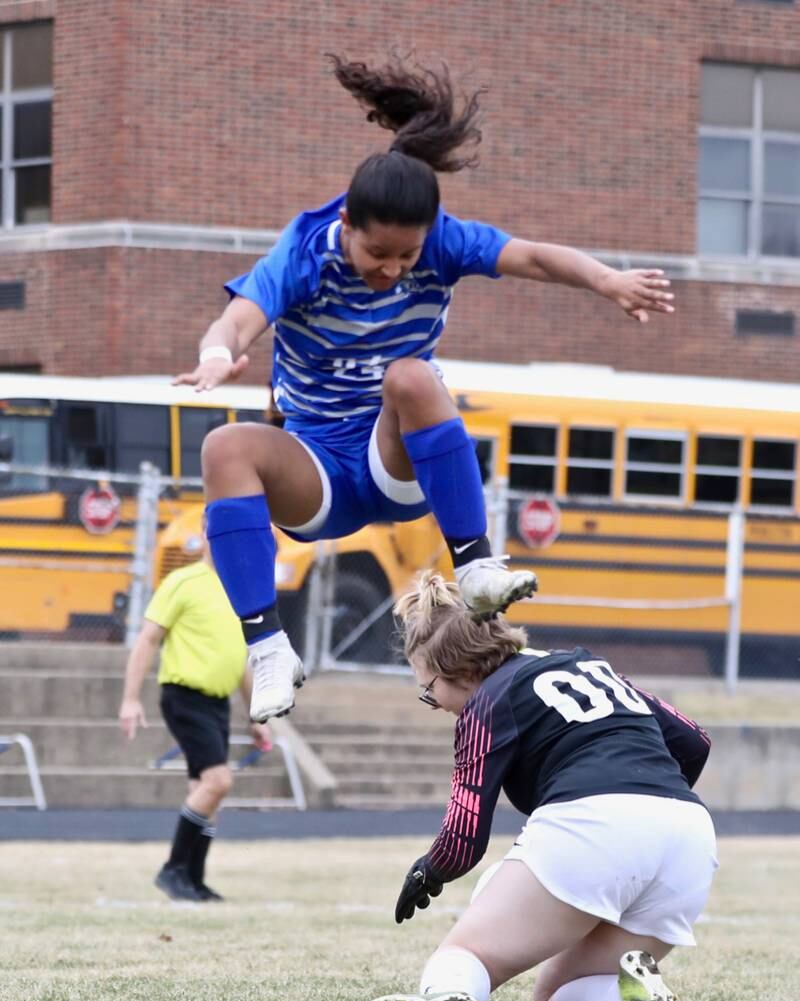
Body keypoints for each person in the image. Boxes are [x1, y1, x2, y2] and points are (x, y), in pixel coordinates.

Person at [173, 52, 676, 724]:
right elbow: (241, 317)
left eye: (406, 258)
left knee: (411, 374)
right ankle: (267, 648)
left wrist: (607, 280)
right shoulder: (303, 252)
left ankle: (474, 567)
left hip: (395, 463)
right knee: (226, 447)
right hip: (317, 472)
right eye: (377, 255)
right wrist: (216, 353)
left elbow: (531, 255)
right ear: (347, 224)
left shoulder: (442, 242)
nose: (391, 271)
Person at [350, 572, 716, 1001]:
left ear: (462, 672)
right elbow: (695, 740)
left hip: (597, 823)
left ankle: (449, 996)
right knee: (555, 996)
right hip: (691, 837)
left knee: (466, 953)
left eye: (430, 690)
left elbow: (465, 836)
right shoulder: (585, 665)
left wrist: (430, 869)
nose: (436, 703)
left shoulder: (489, 698)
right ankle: (633, 999)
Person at [118, 517, 271, 902]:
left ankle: (193, 880)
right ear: (204, 535)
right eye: (215, 530)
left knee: (206, 791)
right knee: (218, 782)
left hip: (217, 703)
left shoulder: (243, 593)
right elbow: (147, 639)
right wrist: (130, 698)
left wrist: (256, 717)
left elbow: (240, 662)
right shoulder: (183, 582)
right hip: (184, 696)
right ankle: (172, 869)